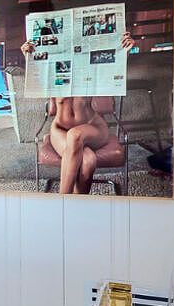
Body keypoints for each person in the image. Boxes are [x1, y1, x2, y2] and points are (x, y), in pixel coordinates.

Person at [22, 31, 135, 194]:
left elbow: (113, 72)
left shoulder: (91, 68)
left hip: (92, 127)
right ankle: (77, 208)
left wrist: (125, 51)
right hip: (60, 129)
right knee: (88, 160)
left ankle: (62, 202)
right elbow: (36, 82)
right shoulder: (53, 70)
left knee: (75, 135)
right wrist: (28, 56)